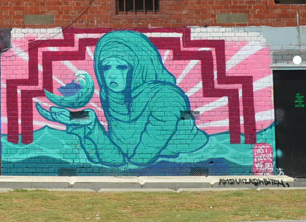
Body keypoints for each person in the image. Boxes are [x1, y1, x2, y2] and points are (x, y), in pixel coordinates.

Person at [60, 30, 207, 169]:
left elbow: (141, 158)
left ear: (139, 68)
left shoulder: (166, 97)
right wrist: (91, 126)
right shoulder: (111, 97)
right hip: (140, 162)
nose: (111, 74)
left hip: (188, 157)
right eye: (106, 68)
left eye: (122, 67)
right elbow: (115, 158)